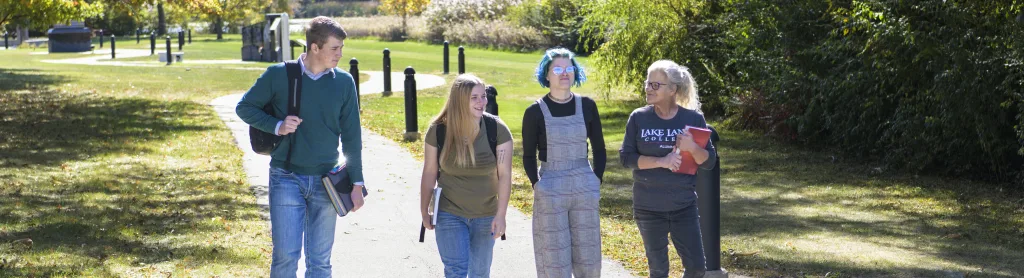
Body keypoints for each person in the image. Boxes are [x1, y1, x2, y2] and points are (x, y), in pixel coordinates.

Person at [235, 16, 365, 278]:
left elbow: (352, 136)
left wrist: (357, 183)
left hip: (327, 181)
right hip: (286, 177)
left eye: (341, 48)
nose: (340, 54)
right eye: (334, 48)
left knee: (320, 262)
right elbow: (244, 107)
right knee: (285, 258)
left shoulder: (344, 82)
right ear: (315, 47)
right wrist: (277, 125)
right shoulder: (278, 75)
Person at [619, 60, 717, 278]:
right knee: (658, 270)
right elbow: (626, 158)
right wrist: (662, 161)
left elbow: (709, 161)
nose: (648, 88)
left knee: (697, 268)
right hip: (648, 206)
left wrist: (692, 147)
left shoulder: (693, 119)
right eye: (648, 83)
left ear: (672, 89)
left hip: (683, 206)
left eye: (655, 85)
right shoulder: (638, 117)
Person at [419, 74, 514, 278]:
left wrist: (501, 215)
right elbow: (429, 172)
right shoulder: (438, 131)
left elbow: (505, 175)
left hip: (486, 215)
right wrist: (424, 210)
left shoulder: (497, 130)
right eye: (474, 98)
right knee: (456, 271)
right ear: (460, 101)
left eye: (483, 96)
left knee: (480, 273)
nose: (482, 102)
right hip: (449, 212)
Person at [522, 47, 606, 278]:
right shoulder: (534, 112)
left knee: (588, 258)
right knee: (554, 260)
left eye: (569, 68)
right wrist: (537, 184)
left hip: (584, 183)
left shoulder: (587, 106)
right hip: (550, 184)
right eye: (557, 69)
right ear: (547, 75)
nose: (564, 73)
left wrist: (596, 180)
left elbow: (599, 148)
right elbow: (528, 155)